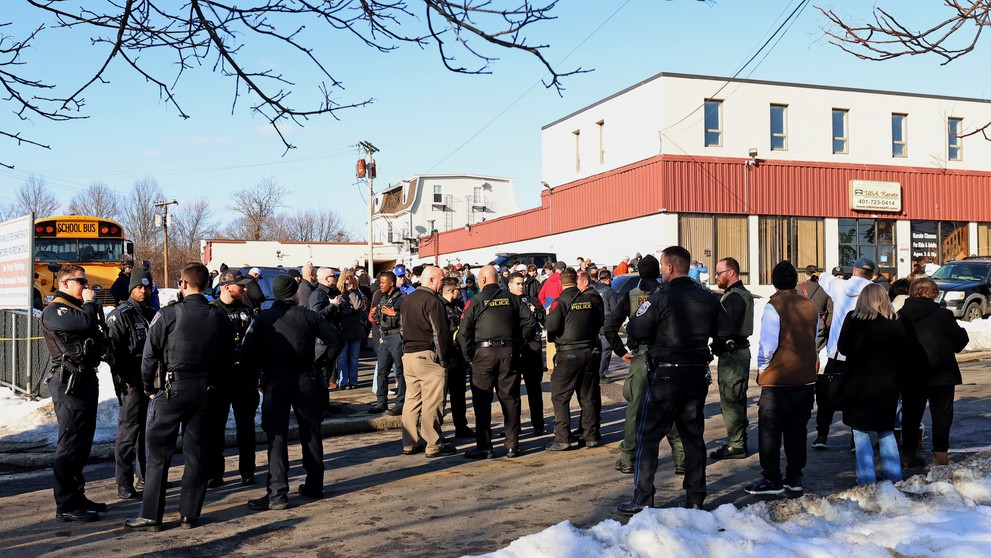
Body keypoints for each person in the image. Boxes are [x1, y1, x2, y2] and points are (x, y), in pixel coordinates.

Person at [617, 246, 733, 514]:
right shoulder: (707, 297)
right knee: (692, 436)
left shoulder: (661, 297)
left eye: (662, 266)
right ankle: (695, 497)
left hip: (666, 374)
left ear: (669, 267)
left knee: (648, 435)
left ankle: (643, 499)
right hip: (696, 373)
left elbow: (636, 328)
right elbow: (726, 332)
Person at [125, 263, 235, 531]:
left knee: (159, 455)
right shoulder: (219, 317)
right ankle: (189, 514)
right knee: (196, 453)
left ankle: (151, 516)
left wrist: (150, 387)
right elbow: (228, 357)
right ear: (207, 286)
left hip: (172, 390)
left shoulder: (168, 315)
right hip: (206, 391)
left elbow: (149, 355)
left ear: (183, 284)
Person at [243, 275, 344, 510]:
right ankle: (314, 485)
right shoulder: (309, 316)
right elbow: (336, 341)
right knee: (311, 432)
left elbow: (247, 353)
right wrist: (319, 363)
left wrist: (258, 376)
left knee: (276, 437)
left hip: (275, 382)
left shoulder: (264, 319)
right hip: (305, 379)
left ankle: (277, 494)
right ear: (294, 293)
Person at [603, 255, 685, 476]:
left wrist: (621, 352)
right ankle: (681, 459)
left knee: (635, 412)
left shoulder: (630, 296)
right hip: (667, 358)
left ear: (638, 272)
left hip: (641, 357)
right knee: (671, 408)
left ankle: (628, 459)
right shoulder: (667, 293)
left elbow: (609, 327)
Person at [40, 265, 109, 523]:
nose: (86, 286)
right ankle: (66, 504)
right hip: (67, 382)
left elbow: (94, 334)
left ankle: (77, 495)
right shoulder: (56, 310)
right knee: (69, 443)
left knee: (82, 442)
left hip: (84, 379)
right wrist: (91, 305)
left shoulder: (77, 309)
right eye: (81, 281)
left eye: (86, 281)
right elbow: (85, 322)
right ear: (66, 283)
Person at [744, 261, 818, 495]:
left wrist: (763, 369)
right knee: (798, 431)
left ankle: (772, 478)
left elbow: (767, 345)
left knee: (770, 431)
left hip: (778, 380)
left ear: (774, 282)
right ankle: (795, 476)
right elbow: (813, 338)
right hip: (805, 378)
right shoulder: (810, 305)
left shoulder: (773, 306)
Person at [459, 266, 537, 459]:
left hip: (483, 355)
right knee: (510, 399)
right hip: (508, 352)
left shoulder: (475, 301)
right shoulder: (512, 299)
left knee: (482, 400)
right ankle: (512, 445)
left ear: (483, 280)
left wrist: (469, 357)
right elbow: (530, 322)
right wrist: (518, 344)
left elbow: (463, 333)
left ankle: (485, 446)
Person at [837, 283, 908, 486]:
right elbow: (905, 352)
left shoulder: (853, 319)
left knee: (860, 432)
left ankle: (866, 478)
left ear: (863, 299)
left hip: (857, 385)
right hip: (887, 385)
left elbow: (843, 348)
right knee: (886, 430)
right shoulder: (895, 322)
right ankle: (894, 476)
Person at [898, 277, 969, 467]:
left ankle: (908, 453)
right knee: (942, 416)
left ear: (912, 293)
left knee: (911, 414)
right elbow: (960, 341)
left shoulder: (901, 316)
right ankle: (939, 456)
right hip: (942, 374)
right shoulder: (943, 316)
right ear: (934, 294)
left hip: (911, 374)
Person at [813, 258, 875, 449]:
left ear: (854, 271)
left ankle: (822, 436)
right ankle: (855, 440)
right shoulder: (875, 292)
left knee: (828, 396)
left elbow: (825, 279)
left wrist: (819, 274)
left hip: (837, 353)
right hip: (862, 356)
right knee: (857, 398)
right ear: (872, 274)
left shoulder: (840, 287)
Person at [106, 266, 157, 500]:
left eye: (146, 287)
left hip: (151, 382)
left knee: (149, 432)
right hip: (131, 384)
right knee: (128, 434)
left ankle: (146, 476)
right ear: (130, 289)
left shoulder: (153, 313)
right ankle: (124, 482)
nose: (143, 291)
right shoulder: (120, 315)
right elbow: (113, 351)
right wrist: (125, 378)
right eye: (138, 287)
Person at [543, 268, 605, 451]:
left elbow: (551, 326)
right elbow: (599, 321)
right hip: (588, 351)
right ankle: (590, 436)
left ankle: (562, 438)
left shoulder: (560, 301)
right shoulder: (589, 300)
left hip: (568, 353)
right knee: (587, 396)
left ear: (562, 283)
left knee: (561, 396)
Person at [399, 266, 458, 458]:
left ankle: (409, 442)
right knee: (433, 402)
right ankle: (433, 444)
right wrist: (445, 360)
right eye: (441, 281)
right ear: (431, 280)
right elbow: (440, 333)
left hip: (409, 355)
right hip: (427, 355)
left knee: (412, 400)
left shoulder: (407, 300)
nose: (442, 285)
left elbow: (401, 328)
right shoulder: (433, 301)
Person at [208, 269, 259, 487]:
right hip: (219, 379)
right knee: (215, 429)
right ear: (227, 287)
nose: (245, 288)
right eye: (241, 285)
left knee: (246, 428)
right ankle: (214, 474)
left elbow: (257, 344)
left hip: (244, 379)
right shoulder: (211, 312)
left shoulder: (248, 310)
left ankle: (247, 471)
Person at [710, 257, 754, 460]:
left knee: (731, 399)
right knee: (734, 398)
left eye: (719, 273)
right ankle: (737, 440)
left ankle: (736, 445)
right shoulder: (734, 295)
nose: (716, 276)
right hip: (735, 353)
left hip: (734, 355)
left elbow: (727, 329)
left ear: (731, 273)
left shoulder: (735, 298)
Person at [508, 271, 547, 436]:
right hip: (514, 348)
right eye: (517, 283)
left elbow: (544, 319)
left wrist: (536, 312)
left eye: (522, 283)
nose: (520, 286)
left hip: (531, 347)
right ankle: (513, 427)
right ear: (509, 285)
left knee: (534, 390)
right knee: (512, 391)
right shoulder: (506, 302)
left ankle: (538, 424)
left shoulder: (532, 300)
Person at [439, 277, 474, 439]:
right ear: (452, 290)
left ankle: (461, 426)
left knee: (458, 394)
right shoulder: (438, 306)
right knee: (439, 397)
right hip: (443, 357)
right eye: (459, 289)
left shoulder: (460, 306)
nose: (461, 292)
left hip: (458, 356)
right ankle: (436, 431)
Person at [368, 270, 406, 415]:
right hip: (384, 336)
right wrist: (374, 315)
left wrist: (395, 314)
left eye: (383, 282)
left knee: (400, 371)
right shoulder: (381, 297)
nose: (381, 285)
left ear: (391, 283)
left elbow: (408, 316)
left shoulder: (402, 298)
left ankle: (400, 402)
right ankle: (381, 401)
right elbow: (378, 317)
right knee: (382, 371)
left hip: (397, 336)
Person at [310, 267, 344, 393]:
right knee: (322, 374)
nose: (336, 278)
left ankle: (326, 405)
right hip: (322, 342)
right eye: (333, 276)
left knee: (327, 373)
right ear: (326, 279)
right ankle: (321, 407)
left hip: (331, 338)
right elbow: (316, 316)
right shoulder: (318, 294)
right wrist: (332, 305)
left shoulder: (331, 292)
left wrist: (339, 306)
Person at [336, 269, 368, 390]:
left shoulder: (357, 293)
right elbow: (341, 311)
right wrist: (350, 310)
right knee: (343, 357)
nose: (349, 285)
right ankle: (343, 382)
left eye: (351, 282)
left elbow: (358, 306)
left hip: (356, 329)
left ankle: (353, 381)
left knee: (354, 357)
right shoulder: (338, 293)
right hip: (343, 329)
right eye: (346, 283)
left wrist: (352, 292)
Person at [593, 269, 622, 384]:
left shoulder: (594, 290)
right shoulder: (610, 292)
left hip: (595, 323)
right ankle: (601, 373)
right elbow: (616, 310)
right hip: (606, 323)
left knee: (597, 348)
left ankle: (595, 371)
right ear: (609, 279)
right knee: (607, 348)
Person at [799, 265, 832, 362]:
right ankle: (814, 374)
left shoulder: (798, 288)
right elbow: (831, 310)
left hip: (801, 324)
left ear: (805, 274)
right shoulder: (825, 290)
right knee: (814, 352)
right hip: (819, 323)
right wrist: (827, 324)